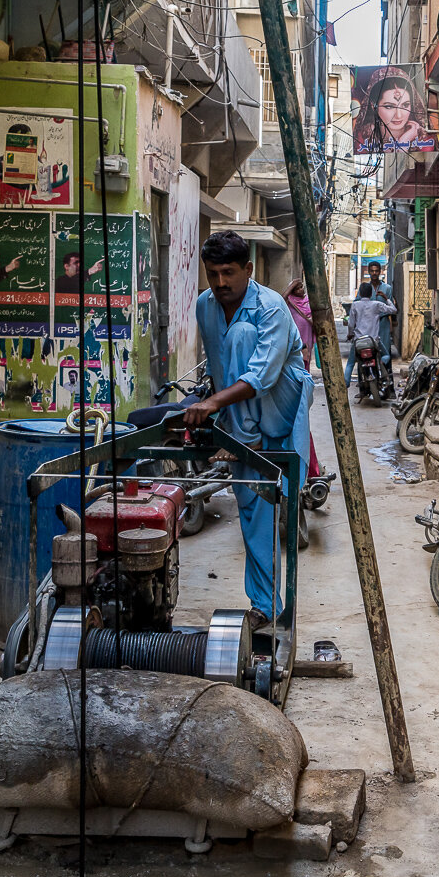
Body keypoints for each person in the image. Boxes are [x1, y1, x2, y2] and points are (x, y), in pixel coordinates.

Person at [184, 232, 314, 623]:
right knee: (252, 509)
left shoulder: (271, 307)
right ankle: (265, 606)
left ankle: (242, 437)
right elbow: (222, 369)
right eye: (213, 274)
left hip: (282, 398)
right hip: (243, 416)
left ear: (248, 270)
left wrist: (213, 407)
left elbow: (262, 375)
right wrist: (217, 412)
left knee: (241, 334)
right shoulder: (205, 307)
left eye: (229, 272)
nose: (221, 283)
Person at [282, 276, 328, 483]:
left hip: (304, 359)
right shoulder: (288, 303)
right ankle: (309, 470)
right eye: (296, 286)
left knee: (299, 417)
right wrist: (289, 288)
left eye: (302, 285)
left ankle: (309, 470)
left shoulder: (308, 305)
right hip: (292, 358)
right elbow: (279, 302)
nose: (300, 289)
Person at [358, 70, 436, 153]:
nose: (398, 115)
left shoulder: (423, 140)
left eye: (405, 105)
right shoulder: (363, 138)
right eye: (389, 106)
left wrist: (404, 141)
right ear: (374, 106)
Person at [343, 282, 396, 387]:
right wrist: (386, 298)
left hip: (358, 340)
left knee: (350, 363)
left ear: (360, 293)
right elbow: (393, 310)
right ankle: (380, 365)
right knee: (386, 355)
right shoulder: (376, 304)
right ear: (371, 293)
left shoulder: (355, 305)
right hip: (373, 341)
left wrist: (350, 334)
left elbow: (351, 324)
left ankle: (345, 384)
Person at [364, 261, 396, 359]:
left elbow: (391, 306)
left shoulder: (387, 288)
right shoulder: (365, 288)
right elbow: (358, 302)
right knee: (369, 349)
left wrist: (393, 321)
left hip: (383, 322)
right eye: (372, 271)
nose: (374, 273)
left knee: (385, 350)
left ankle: (387, 372)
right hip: (369, 322)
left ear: (380, 272)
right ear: (369, 271)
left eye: (376, 271)